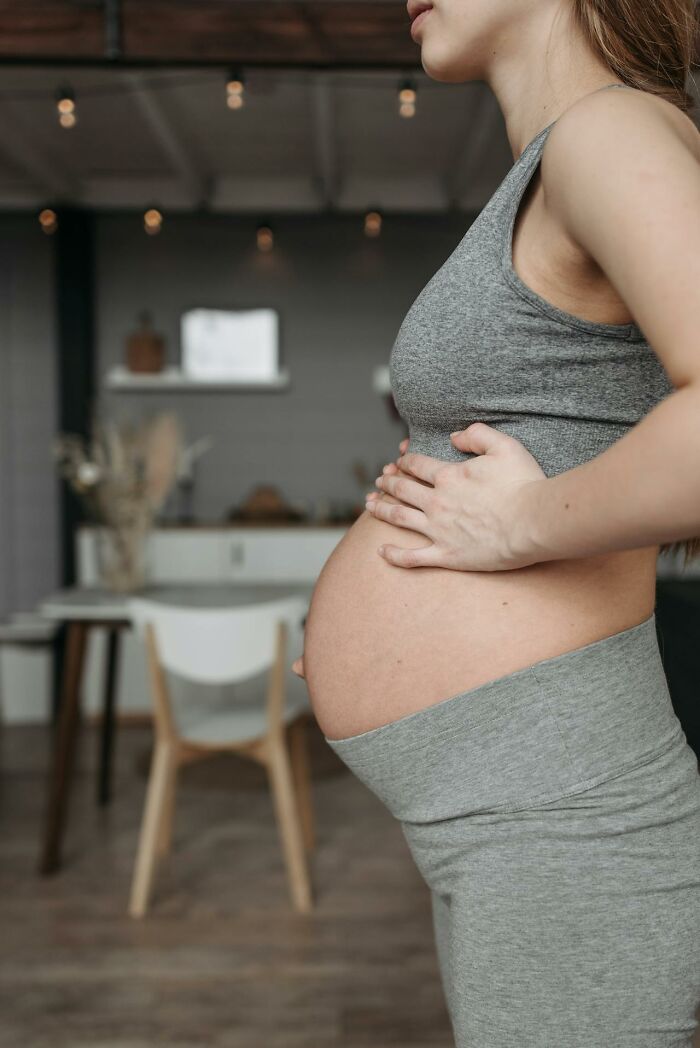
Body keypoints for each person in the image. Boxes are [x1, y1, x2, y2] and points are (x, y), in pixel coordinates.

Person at [294, 0, 700, 1044]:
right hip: (515, 809)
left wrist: (523, 525)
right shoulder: (561, 158)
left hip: (561, 811)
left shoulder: (609, 132)